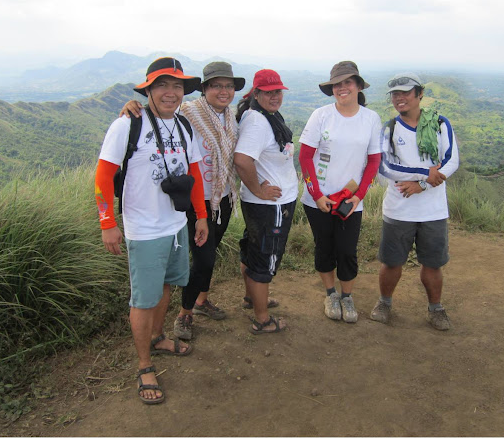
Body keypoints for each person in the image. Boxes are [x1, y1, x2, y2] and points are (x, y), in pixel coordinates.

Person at [95, 57, 208, 404]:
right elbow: (102, 176)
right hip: (143, 230)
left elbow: (194, 174)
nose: (170, 93)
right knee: (143, 299)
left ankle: (159, 338)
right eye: (162, 85)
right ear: (148, 90)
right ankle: (145, 365)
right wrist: (107, 223)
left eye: (176, 86)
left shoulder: (184, 126)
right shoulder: (128, 125)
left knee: (166, 285)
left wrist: (200, 216)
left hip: (176, 224)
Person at [120, 61, 244, 341]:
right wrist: (132, 105)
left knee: (207, 259)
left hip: (222, 198)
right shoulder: (188, 112)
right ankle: (184, 314)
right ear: (204, 89)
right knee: (204, 259)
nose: (223, 91)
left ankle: (200, 301)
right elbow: (160, 113)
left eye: (228, 86)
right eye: (216, 86)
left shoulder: (231, 117)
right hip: (193, 201)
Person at [371, 72, 459, 330]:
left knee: (432, 263)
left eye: (406, 92)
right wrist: (424, 173)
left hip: (433, 210)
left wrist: (420, 184)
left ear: (420, 94)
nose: (400, 98)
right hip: (399, 208)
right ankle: (384, 302)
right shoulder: (389, 129)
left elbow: (451, 160)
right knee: (391, 262)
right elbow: (385, 168)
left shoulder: (440, 124)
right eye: (395, 94)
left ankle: (436, 308)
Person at [299, 61, 382, 323]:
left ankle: (347, 296)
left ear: (358, 85)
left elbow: (374, 161)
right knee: (324, 247)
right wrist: (317, 194)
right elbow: (305, 157)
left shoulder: (370, 119)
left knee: (347, 250)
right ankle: (330, 293)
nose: (342, 87)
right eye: (337, 83)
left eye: (347, 82)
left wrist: (359, 196)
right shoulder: (321, 115)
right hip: (318, 199)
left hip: (351, 200)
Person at [233, 69, 297, 334]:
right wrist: (259, 189)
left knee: (253, 250)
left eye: (278, 91)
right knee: (265, 258)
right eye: (269, 92)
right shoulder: (259, 122)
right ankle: (262, 319)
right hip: (270, 206)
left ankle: (253, 298)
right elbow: (241, 160)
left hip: (261, 205)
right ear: (256, 93)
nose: (275, 96)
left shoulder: (260, 115)